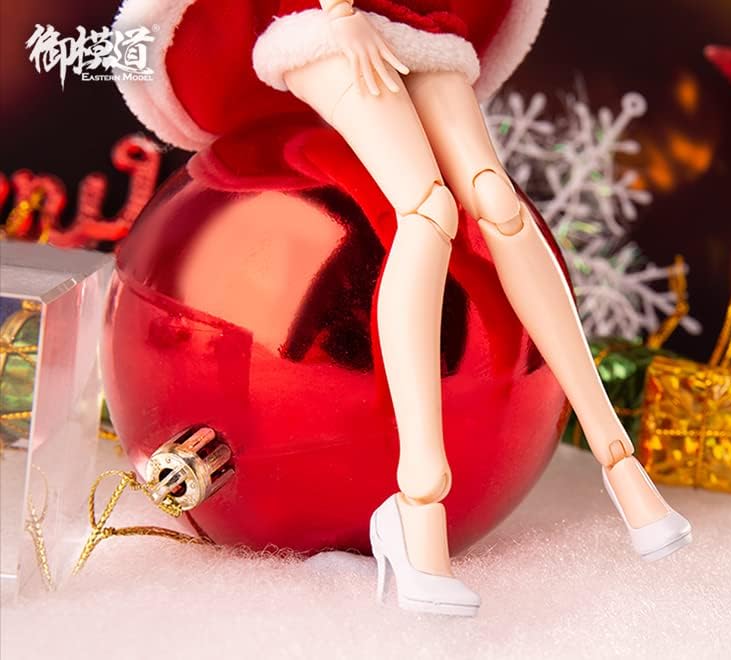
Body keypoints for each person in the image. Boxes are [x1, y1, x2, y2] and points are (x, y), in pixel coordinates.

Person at [114, 0, 691, 617]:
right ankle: (417, 508)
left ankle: (619, 463)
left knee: (498, 203)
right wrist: (340, 17)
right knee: (427, 209)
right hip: (324, 25)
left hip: (421, 21)